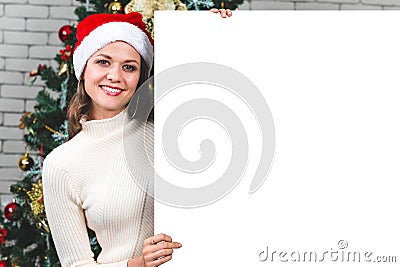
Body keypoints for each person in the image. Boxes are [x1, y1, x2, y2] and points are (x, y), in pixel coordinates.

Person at [42, 9, 232, 267]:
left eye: (129, 67)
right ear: (83, 69)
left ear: (140, 78)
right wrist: (138, 264)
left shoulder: (170, 130)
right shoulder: (61, 165)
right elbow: (77, 265)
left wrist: (218, 30)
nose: (115, 76)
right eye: (103, 61)